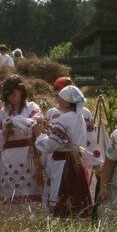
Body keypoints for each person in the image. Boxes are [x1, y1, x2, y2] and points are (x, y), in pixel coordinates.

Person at [33, 85, 100, 218]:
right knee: (76, 197)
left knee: (61, 197)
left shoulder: (63, 119)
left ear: (66, 102)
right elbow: (65, 139)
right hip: (77, 163)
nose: (58, 101)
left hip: (63, 165)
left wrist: (39, 135)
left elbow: (51, 146)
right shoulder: (79, 117)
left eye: (61, 98)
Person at [0, 75, 44, 213]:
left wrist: (17, 121)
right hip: (9, 154)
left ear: (21, 92)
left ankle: (30, 213)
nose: (11, 97)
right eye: (8, 95)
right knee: (10, 184)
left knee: (27, 184)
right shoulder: (3, 111)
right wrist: (5, 132)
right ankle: (11, 214)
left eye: (14, 93)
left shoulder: (31, 107)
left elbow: (36, 123)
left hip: (26, 152)